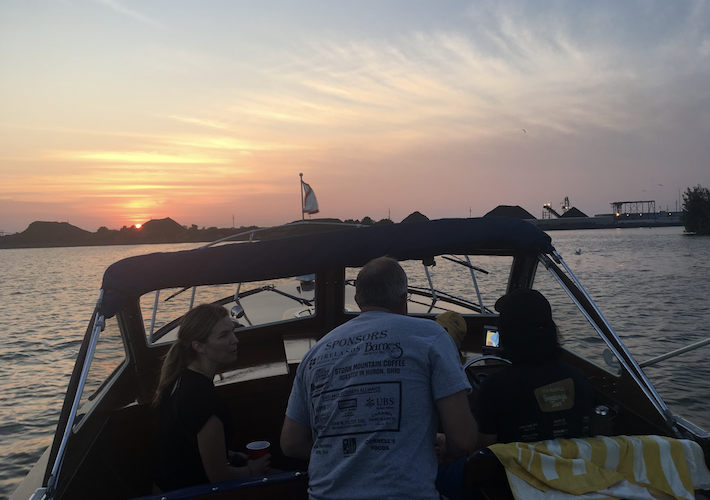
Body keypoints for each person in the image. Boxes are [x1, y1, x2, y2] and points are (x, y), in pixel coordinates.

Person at [280, 257, 477, 500]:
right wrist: (444, 448)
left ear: (357, 300)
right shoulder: (432, 337)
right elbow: (465, 440)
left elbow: (290, 443)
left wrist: (348, 456)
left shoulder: (315, 353)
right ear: (404, 299)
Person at [153, 303, 271, 492]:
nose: (235, 340)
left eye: (232, 331)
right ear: (199, 346)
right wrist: (252, 470)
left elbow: (185, 445)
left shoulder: (179, 380)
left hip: (168, 488)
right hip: (190, 493)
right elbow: (219, 477)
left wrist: (229, 454)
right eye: (224, 335)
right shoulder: (203, 399)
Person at [474, 288, 593, 448]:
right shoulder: (579, 379)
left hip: (514, 472)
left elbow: (481, 452)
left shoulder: (495, 388)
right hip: (571, 470)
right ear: (551, 330)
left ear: (505, 333)